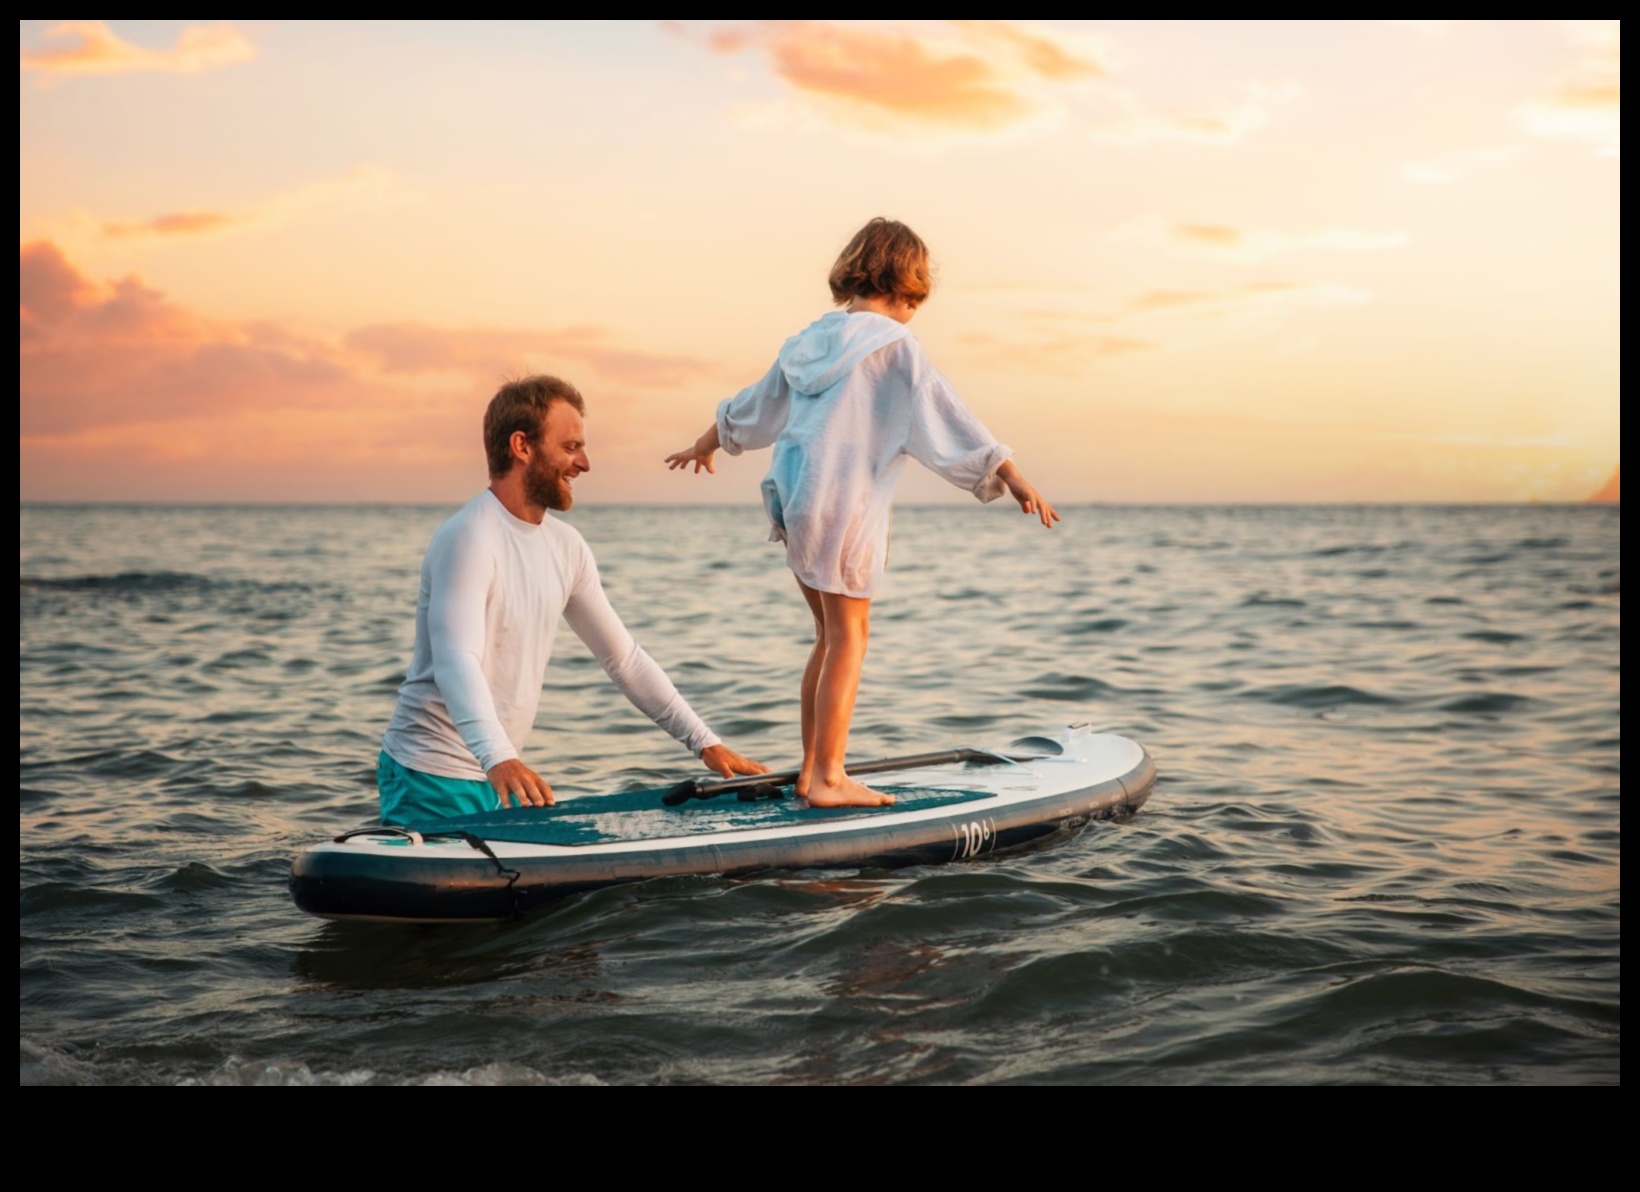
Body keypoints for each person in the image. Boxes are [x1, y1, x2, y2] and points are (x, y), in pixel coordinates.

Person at [665, 217, 1058, 809]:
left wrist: (706, 443)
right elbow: (949, 414)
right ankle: (828, 777)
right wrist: (1012, 474)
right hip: (845, 507)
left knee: (826, 635)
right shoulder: (895, 346)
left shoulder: (805, 342)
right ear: (907, 286)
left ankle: (812, 770)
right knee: (850, 636)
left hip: (795, 501)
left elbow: (753, 405)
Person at [377, 374, 767, 823]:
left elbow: (624, 659)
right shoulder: (469, 538)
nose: (584, 463)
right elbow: (456, 660)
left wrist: (704, 742)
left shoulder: (566, 547)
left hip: (498, 773)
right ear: (521, 446)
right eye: (570, 447)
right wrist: (499, 758)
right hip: (432, 774)